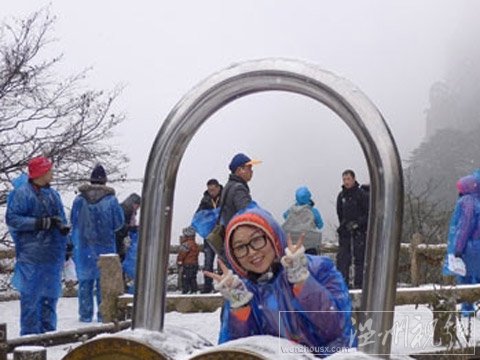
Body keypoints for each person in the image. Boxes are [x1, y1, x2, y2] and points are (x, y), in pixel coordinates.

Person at [204, 206, 353, 357]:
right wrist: (240, 308)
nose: (252, 252)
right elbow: (235, 351)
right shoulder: (241, 291)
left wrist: (303, 283)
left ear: (273, 237)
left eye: (257, 240)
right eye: (240, 247)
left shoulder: (318, 269)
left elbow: (336, 327)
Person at [6, 156, 70, 335]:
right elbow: (13, 219)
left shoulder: (53, 194)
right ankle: (29, 339)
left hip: (51, 256)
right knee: (31, 300)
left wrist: (67, 242)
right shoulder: (22, 193)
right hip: (31, 257)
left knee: (50, 298)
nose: (52, 173)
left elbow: (62, 220)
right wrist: (39, 223)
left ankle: (49, 335)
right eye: (49, 170)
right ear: (41, 172)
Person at [70, 164, 124, 322]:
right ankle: (104, 313)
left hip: (83, 247)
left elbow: (73, 220)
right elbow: (118, 223)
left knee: (85, 281)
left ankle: (85, 315)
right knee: (104, 282)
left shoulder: (79, 200)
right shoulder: (111, 200)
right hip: (105, 246)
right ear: (105, 181)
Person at [443, 170, 480, 316]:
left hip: (470, 246)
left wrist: (458, 248)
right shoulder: (477, 200)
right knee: (476, 277)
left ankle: (467, 310)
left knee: (465, 277)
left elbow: (464, 227)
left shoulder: (467, 202)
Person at [336, 169, 369, 289]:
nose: (346, 182)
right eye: (344, 179)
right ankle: (342, 285)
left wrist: (358, 224)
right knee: (343, 259)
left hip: (359, 232)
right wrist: (344, 225)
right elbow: (339, 213)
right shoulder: (341, 196)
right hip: (345, 232)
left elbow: (368, 214)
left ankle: (359, 285)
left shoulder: (361, 195)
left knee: (359, 259)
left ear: (354, 179)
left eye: (348, 179)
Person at [195, 179, 222, 293]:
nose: (211, 192)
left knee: (223, 260)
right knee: (208, 261)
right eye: (209, 190)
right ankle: (207, 286)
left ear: (218, 188)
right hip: (210, 235)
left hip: (222, 233)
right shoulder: (205, 199)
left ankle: (223, 285)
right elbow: (198, 214)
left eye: (213, 190)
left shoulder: (225, 196)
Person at [282, 186, 324, 255]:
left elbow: (285, 216)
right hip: (310, 245)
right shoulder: (313, 211)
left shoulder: (290, 211)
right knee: (311, 264)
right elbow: (320, 225)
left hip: (293, 246)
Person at [115, 193, 141, 262]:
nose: (138, 208)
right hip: (117, 242)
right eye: (138, 206)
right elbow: (119, 228)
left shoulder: (129, 212)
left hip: (120, 242)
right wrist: (131, 228)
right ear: (134, 204)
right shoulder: (124, 211)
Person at [177, 226, 200, 294]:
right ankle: (194, 290)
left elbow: (182, 254)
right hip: (194, 264)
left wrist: (179, 261)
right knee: (193, 278)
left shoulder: (186, 245)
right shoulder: (195, 244)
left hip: (187, 264)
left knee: (185, 278)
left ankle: (185, 290)